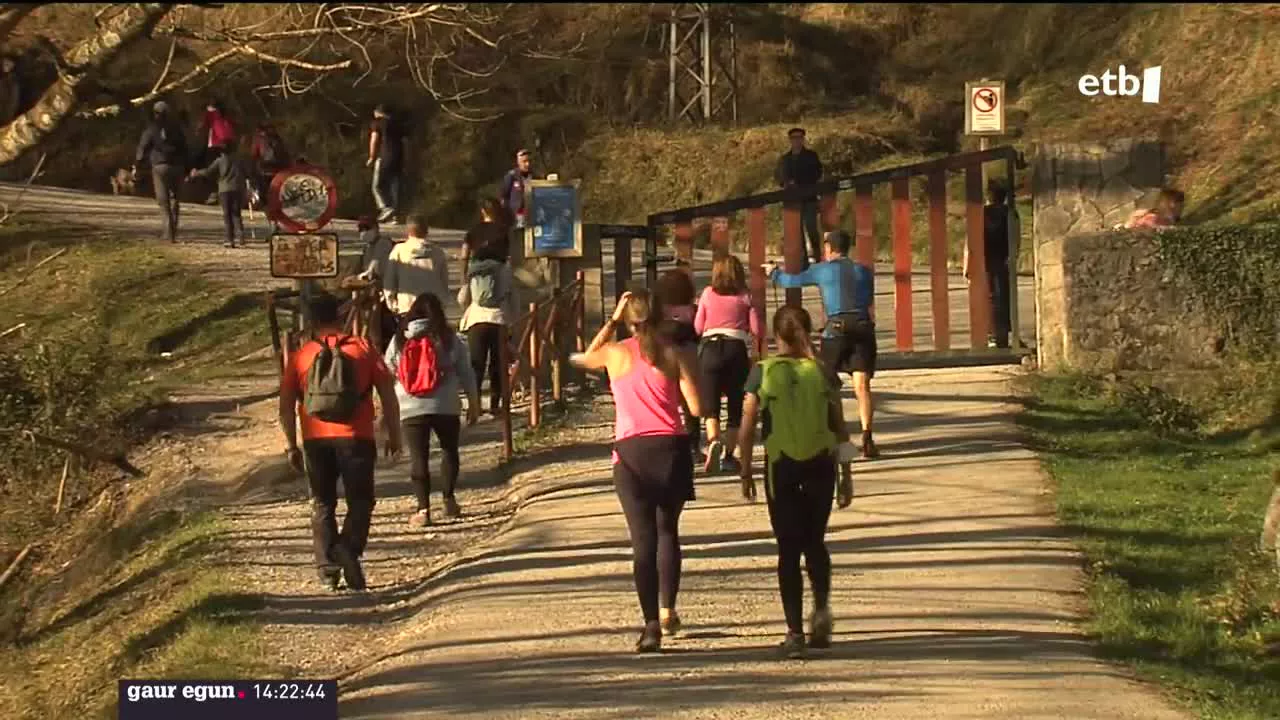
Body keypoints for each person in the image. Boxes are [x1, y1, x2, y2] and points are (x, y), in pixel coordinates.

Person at [570, 290, 702, 653]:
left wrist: (611, 322)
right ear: (659, 318)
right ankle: (667, 609)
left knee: (641, 540)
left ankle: (649, 627)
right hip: (671, 449)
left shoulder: (615, 353)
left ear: (628, 320)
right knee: (667, 532)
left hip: (630, 453)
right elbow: (697, 406)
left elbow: (579, 358)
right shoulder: (673, 353)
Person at [738, 304, 856, 659]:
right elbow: (839, 427)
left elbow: (746, 426)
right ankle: (821, 613)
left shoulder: (763, 372)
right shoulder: (823, 372)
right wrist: (847, 474)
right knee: (815, 541)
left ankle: (793, 632)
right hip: (821, 464)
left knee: (788, 548)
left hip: (782, 466)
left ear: (775, 338)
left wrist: (744, 468)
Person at [278, 292, 403, 591]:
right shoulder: (362, 348)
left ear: (311, 321)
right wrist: (394, 433)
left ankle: (327, 569)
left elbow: (285, 407)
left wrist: (291, 445)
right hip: (356, 437)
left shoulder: (302, 355)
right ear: (337, 316)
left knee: (322, 502)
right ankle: (348, 547)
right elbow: (388, 393)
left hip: (315, 439)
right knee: (361, 501)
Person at [768, 230, 879, 459]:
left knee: (826, 383)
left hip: (836, 329)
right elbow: (867, 300)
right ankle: (867, 437)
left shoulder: (822, 269)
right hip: (862, 327)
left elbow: (793, 280)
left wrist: (774, 273)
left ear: (828, 248)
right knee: (862, 385)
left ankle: (833, 436)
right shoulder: (864, 271)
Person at [385, 292, 481, 527]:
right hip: (445, 404)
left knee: (419, 457)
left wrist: (387, 408)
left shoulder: (400, 338)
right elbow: (466, 372)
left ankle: (423, 510)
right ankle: (448, 499)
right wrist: (473, 402)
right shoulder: (450, 338)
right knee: (449, 451)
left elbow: (387, 368)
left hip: (410, 406)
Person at [695, 254, 763, 474]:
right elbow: (758, 330)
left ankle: (714, 441)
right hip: (736, 349)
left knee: (711, 406)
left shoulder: (707, 293)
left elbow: (698, 327)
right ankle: (729, 456)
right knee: (735, 406)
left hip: (710, 349)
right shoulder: (745, 296)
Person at [458, 200, 518, 418]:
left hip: (477, 317)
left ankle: (473, 408)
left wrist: (465, 281)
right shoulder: (505, 238)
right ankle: (496, 405)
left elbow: (462, 294)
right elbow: (512, 292)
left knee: (476, 364)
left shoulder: (472, 234)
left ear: (482, 212)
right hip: (499, 317)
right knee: (498, 364)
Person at [656, 269, 702, 460]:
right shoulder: (692, 309)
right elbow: (699, 330)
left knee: (665, 401)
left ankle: (667, 441)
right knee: (690, 405)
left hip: (665, 357)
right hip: (689, 355)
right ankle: (693, 446)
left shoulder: (659, 309)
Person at [132, 101, 189, 243]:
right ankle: (173, 230)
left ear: (155, 113)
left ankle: (168, 233)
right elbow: (186, 148)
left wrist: (137, 165)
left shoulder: (151, 129)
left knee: (163, 200)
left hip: (160, 166)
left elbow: (142, 148)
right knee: (175, 199)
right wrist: (187, 167)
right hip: (177, 166)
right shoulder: (177, 129)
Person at [973, 180, 1017, 349]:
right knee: (1005, 297)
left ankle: (991, 335)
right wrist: (1012, 256)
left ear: (988, 196)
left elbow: (973, 239)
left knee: (988, 297)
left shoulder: (981, 213)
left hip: (985, 260)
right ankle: (1004, 335)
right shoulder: (1010, 213)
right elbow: (1015, 238)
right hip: (1003, 260)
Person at [384, 214, 451, 323]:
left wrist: (393, 305)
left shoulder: (399, 251)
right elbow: (444, 281)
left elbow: (389, 282)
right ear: (426, 230)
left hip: (407, 308)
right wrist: (442, 305)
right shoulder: (438, 252)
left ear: (408, 231)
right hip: (433, 309)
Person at [775, 127, 825, 267]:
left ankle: (817, 255)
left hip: (809, 198)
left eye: (799, 138)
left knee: (811, 227)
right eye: (794, 138)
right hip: (792, 201)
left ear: (803, 139)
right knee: (797, 232)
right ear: (790, 140)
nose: (797, 141)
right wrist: (786, 182)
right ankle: (803, 262)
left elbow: (817, 173)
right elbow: (778, 176)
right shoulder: (785, 159)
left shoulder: (811, 156)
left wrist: (801, 182)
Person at [189, 143, 247, 248]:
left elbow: (208, 172)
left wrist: (196, 173)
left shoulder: (220, 161)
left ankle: (230, 239)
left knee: (227, 215)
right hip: (238, 189)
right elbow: (247, 173)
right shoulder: (240, 160)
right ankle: (241, 236)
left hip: (224, 189)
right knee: (236, 214)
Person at [356, 215, 399, 354]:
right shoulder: (368, 248)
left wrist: (365, 276)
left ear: (376, 228)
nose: (363, 232)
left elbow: (375, 269)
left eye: (367, 228)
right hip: (376, 292)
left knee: (384, 327)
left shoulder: (384, 244)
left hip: (387, 291)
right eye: (361, 229)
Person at [368, 104, 408, 224]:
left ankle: (385, 208)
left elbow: (374, 140)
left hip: (384, 157)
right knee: (394, 186)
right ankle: (395, 216)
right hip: (398, 158)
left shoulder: (378, 123)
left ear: (378, 112)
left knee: (377, 185)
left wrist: (371, 156)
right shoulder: (398, 124)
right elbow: (406, 142)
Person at [251, 122, 292, 203]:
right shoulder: (278, 139)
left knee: (265, 190)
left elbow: (254, 154)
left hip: (264, 170)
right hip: (278, 170)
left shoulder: (259, 139)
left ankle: (266, 204)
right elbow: (285, 154)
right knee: (276, 190)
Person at [499, 149, 533, 230]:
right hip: (516, 216)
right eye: (524, 161)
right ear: (518, 162)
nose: (527, 164)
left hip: (531, 216)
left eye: (529, 161)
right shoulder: (512, 176)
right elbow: (503, 196)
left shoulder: (534, 176)